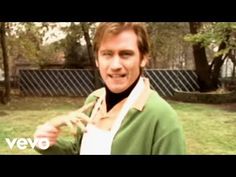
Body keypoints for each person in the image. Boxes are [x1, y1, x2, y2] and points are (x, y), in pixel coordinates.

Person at [34, 22, 186, 155]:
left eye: (126, 54)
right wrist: (46, 142)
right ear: (97, 59)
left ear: (143, 58)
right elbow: (81, 150)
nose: (115, 66)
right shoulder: (94, 100)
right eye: (107, 54)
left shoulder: (161, 116)